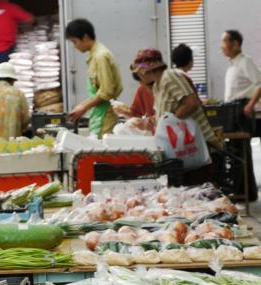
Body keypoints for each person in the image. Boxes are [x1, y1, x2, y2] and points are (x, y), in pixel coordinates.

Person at [130, 48, 218, 183]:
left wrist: (170, 121)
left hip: (197, 146)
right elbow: (166, 113)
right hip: (184, 149)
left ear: (147, 70)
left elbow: (190, 102)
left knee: (200, 190)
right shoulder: (157, 86)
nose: (140, 77)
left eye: (139, 72)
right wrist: (152, 121)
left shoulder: (169, 76)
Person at [221, 29, 261, 200]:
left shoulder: (245, 62)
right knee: (236, 152)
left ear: (235, 44)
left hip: (242, 109)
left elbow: (260, 83)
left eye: (224, 42)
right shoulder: (233, 65)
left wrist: (251, 105)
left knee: (242, 152)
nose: (222, 47)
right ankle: (244, 192)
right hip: (232, 109)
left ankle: (245, 193)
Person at [66, 18, 123, 138]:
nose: (75, 46)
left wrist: (84, 107)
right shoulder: (94, 55)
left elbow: (107, 92)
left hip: (105, 115)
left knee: (102, 152)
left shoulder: (100, 57)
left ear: (85, 37)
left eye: (75, 42)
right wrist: (81, 106)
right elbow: (99, 91)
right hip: (99, 113)